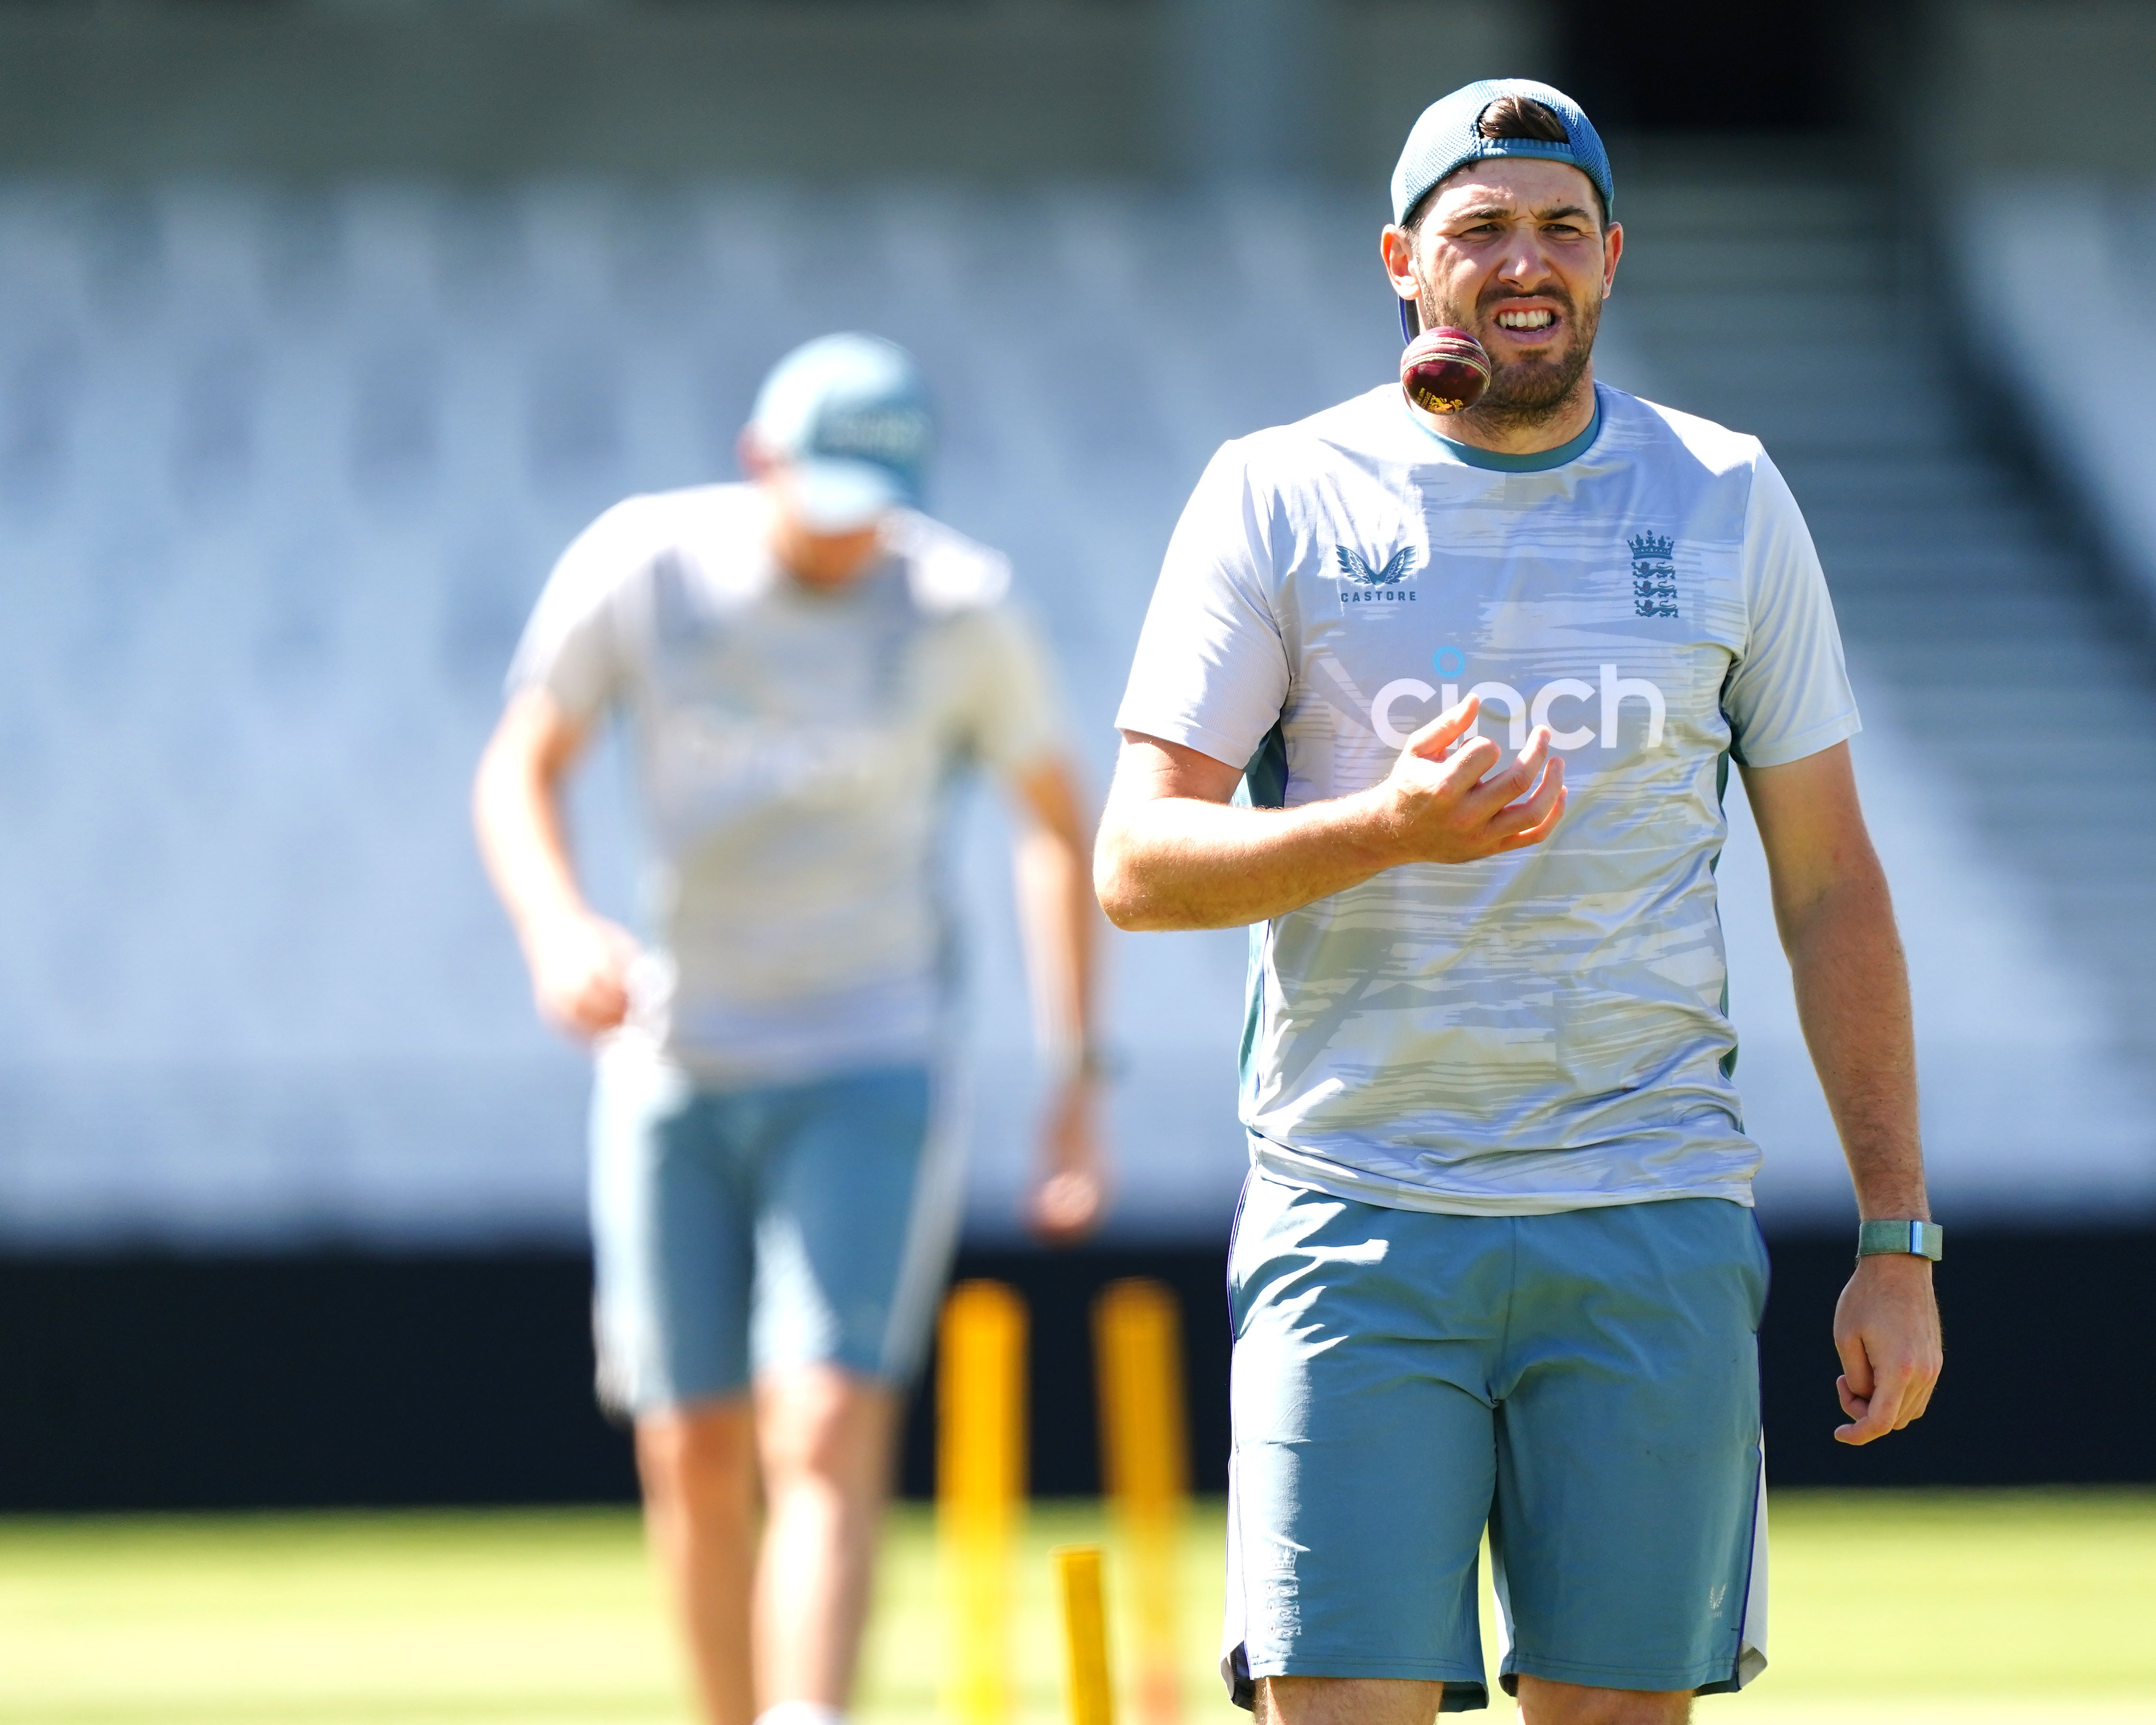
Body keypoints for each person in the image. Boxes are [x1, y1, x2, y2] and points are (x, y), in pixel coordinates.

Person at [1095, 80, 1943, 1725]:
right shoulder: (1278, 491)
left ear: (1613, 257)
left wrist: (1896, 1241)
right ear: (1405, 262)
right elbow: (1136, 865)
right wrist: (1387, 831)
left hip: (1647, 1217)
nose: (1524, 261)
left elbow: (1830, 886)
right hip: (1355, 1212)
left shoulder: (1724, 494)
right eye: (1480, 229)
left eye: (1560, 226)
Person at [474, 333, 1106, 1725]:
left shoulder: (958, 608)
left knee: (821, 1417)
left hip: (868, 1057)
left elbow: (1054, 830)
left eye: (870, 499)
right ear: (757, 458)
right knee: (691, 1444)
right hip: (675, 1057)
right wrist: (559, 928)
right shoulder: (643, 569)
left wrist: (1072, 1076)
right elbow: (520, 766)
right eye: (819, 492)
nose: (842, 532)